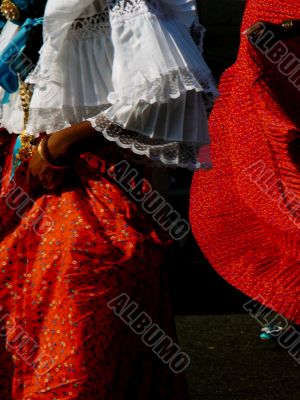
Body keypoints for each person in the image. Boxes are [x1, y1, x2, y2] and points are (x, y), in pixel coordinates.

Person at [0, 0, 217, 398]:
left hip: (95, 206)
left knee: (78, 360)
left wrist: (61, 145)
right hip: (35, 204)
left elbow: (164, 92)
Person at [190, 0, 300, 338]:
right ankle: (288, 297)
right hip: (259, 61)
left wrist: (285, 30)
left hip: (284, 47)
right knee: (241, 172)